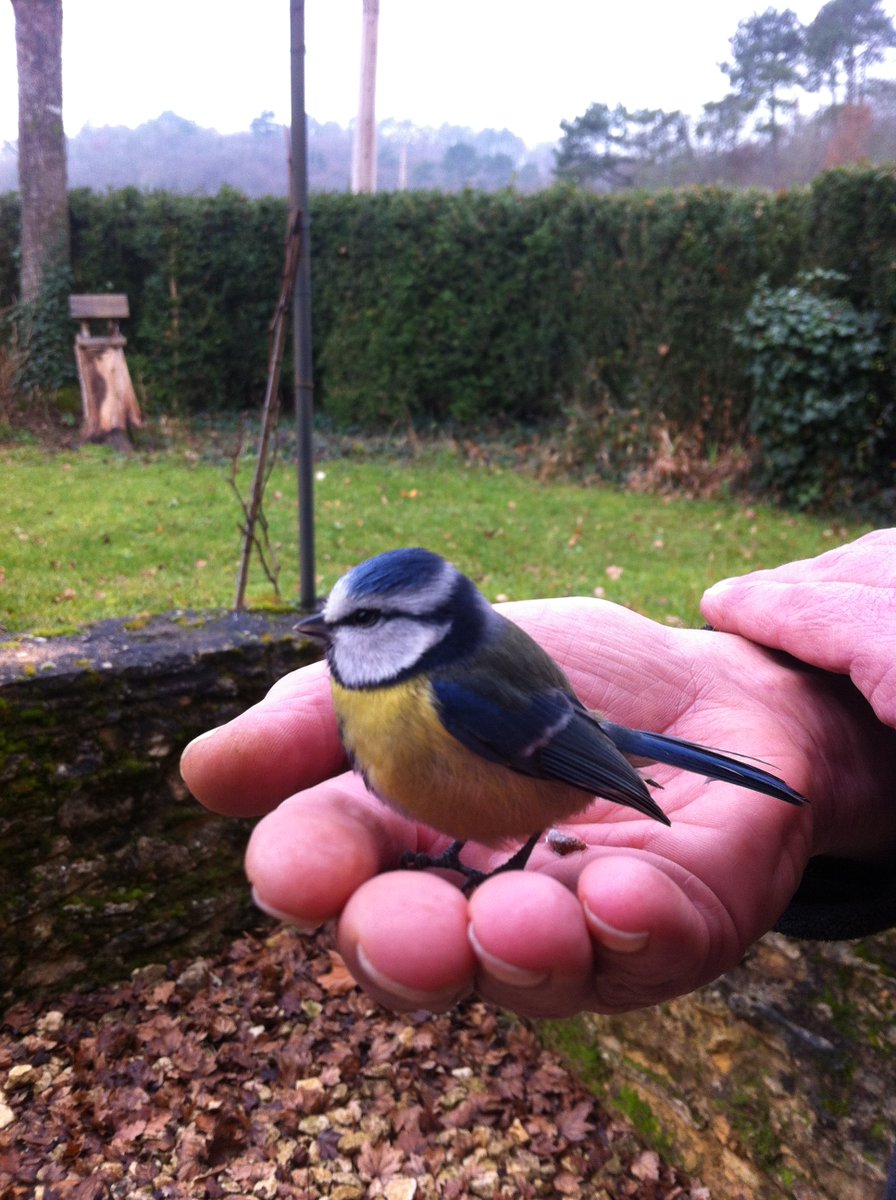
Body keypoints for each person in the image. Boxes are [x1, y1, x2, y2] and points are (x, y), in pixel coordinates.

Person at [180, 529, 896, 1019]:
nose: (328, 632)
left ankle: (503, 864)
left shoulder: (450, 689)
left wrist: (596, 806)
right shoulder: (366, 687)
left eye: (363, 622)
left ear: (428, 627)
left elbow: (561, 763)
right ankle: (460, 857)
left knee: (522, 855)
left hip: (563, 764)